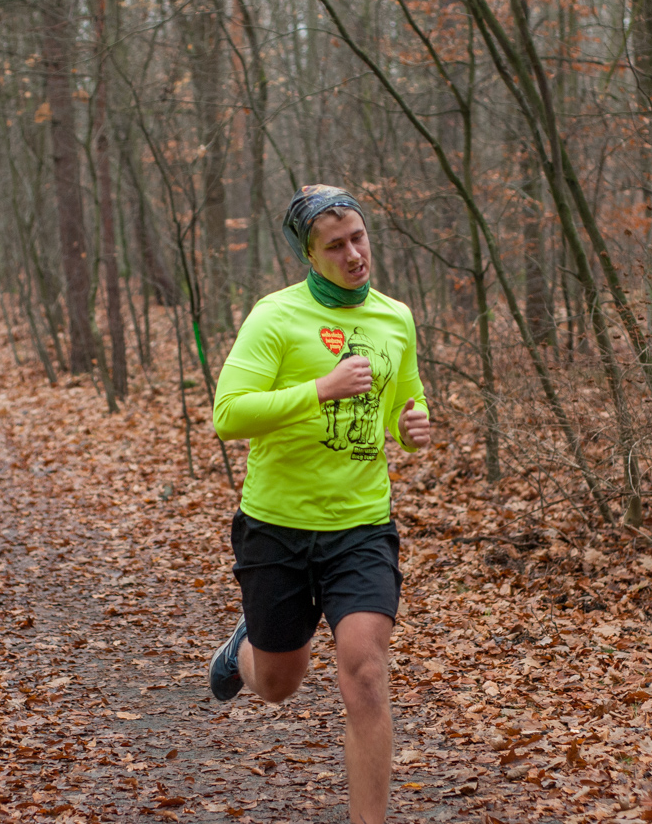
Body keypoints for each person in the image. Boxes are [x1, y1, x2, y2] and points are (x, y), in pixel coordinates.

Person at [209, 185, 431, 824]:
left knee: (365, 673)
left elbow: (405, 399)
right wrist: (320, 390)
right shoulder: (275, 316)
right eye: (335, 246)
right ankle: (241, 653)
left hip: (360, 526)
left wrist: (411, 426)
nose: (354, 254)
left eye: (358, 238)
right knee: (280, 685)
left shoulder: (395, 317)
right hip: (276, 526)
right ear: (309, 255)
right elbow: (229, 415)